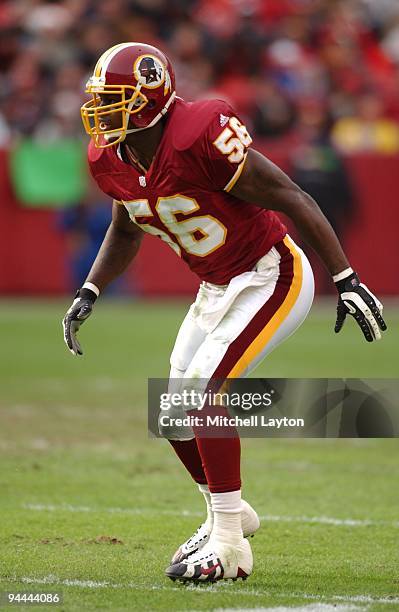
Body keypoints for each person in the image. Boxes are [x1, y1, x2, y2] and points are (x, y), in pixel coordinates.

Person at [62, 43, 386, 583]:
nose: (101, 112)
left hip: (271, 273)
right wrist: (91, 288)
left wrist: (346, 278)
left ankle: (231, 545)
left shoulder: (198, 134)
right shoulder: (110, 157)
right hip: (217, 287)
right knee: (171, 413)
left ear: (149, 97)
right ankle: (228, 514)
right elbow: (126, 225)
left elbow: (291, 194)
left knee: (206, 393)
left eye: (114, 99)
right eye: (100, 99)